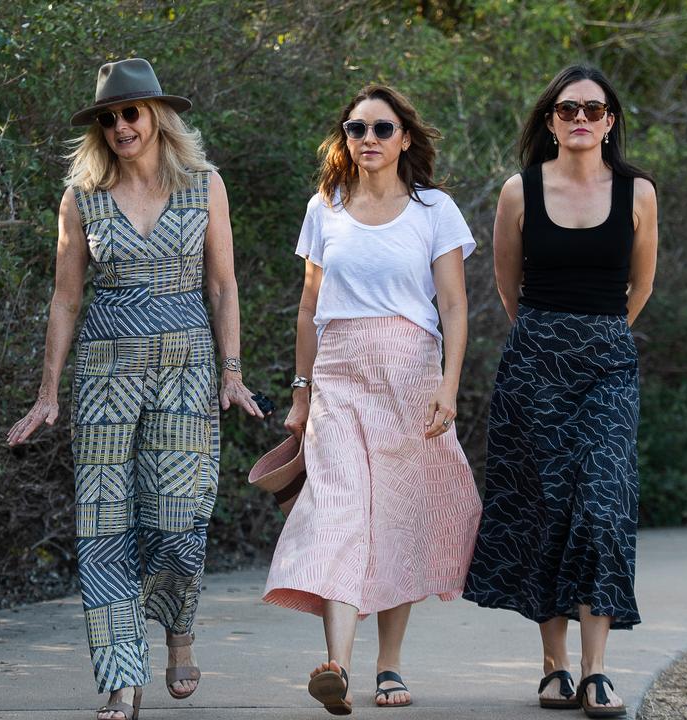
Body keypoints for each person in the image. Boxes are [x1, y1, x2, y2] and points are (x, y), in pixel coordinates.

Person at [6, 58, 263, 720]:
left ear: (157, 117)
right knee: (103, 524)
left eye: (131, 113)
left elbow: (223, 285)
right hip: (104, 373)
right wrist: (48, 391)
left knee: (179, 519)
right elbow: (65, 300)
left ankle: (177, 627)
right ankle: (123, 674)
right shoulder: (81, 196)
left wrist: (231, 373)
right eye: (109, 117)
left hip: (186, 365)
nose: (120, 125)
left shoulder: (205, 185)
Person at [262, 84, 482, 715]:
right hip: (338, 377)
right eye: (356, 129)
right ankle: (338, 665)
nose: (368, 139)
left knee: (395, 517)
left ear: (404, 138)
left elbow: (455, 305)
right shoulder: (325, 206)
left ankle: (389, 666)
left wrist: (449, 387)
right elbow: (308, 308)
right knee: (336, 512)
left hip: (410, 377)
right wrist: (301, 394)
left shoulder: (434, 209)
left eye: (382, 129)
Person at [462, 64, 658, 718]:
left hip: (607, 364)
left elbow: (642, 286)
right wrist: (549, 339)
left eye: (593, 110)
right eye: (567, 109)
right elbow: (505, 283)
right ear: (550, 120)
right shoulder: (520, 191)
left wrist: (596, 339)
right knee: (546, 510)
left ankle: (599, 670)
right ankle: (555, 667)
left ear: (609, 121)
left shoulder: (638, 192)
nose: (580, 119)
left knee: (601, 506)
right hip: (534, 364)